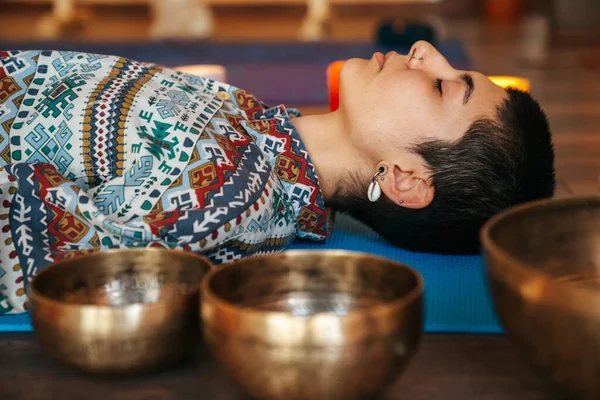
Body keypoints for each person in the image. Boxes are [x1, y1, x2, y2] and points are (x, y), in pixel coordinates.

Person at [0, 41, 554, 314]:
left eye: (441, 87)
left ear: (404, 178)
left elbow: (49, 265)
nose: (425, 52)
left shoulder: (233, 194)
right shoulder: (261, 134)